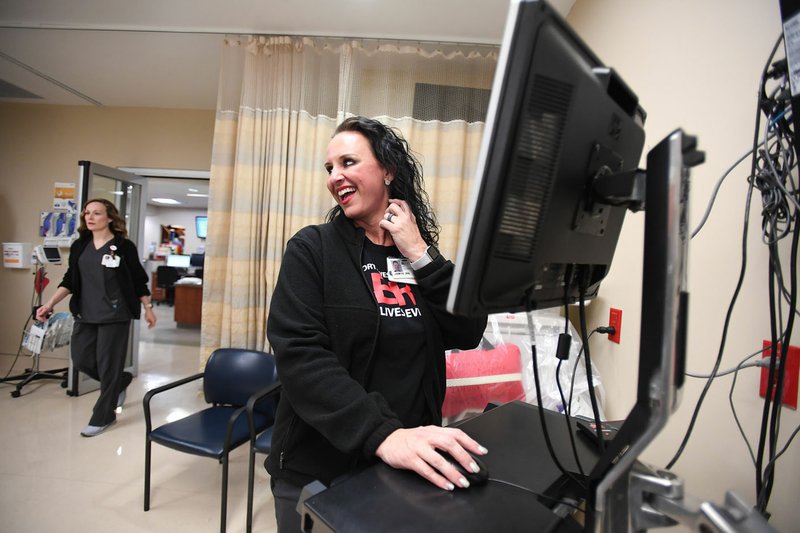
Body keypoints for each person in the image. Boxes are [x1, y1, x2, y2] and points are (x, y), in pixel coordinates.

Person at [266, 116, 489, 531]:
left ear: (387, 170)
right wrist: (385, 435)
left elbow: (468, 330)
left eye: (348, 162)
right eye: (330, 168)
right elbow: (302, 359)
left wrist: (420, 252)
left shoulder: (417, 254)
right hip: (322, 463)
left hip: (405, 463)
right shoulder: (312, 250)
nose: (335, 177)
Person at [35, 198, 156, 437]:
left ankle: (104, 416)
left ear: (110, 217)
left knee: (108, 365)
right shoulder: (80, 245)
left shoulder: (123, 246)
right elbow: (70, 279)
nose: (90, 217)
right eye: (87, 213)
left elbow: (138, 280)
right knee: (81, 360)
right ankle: (120, 381)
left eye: (96, 213)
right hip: (85, 312)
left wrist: (148, 307)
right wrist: (49, 303)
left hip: (115, 314)